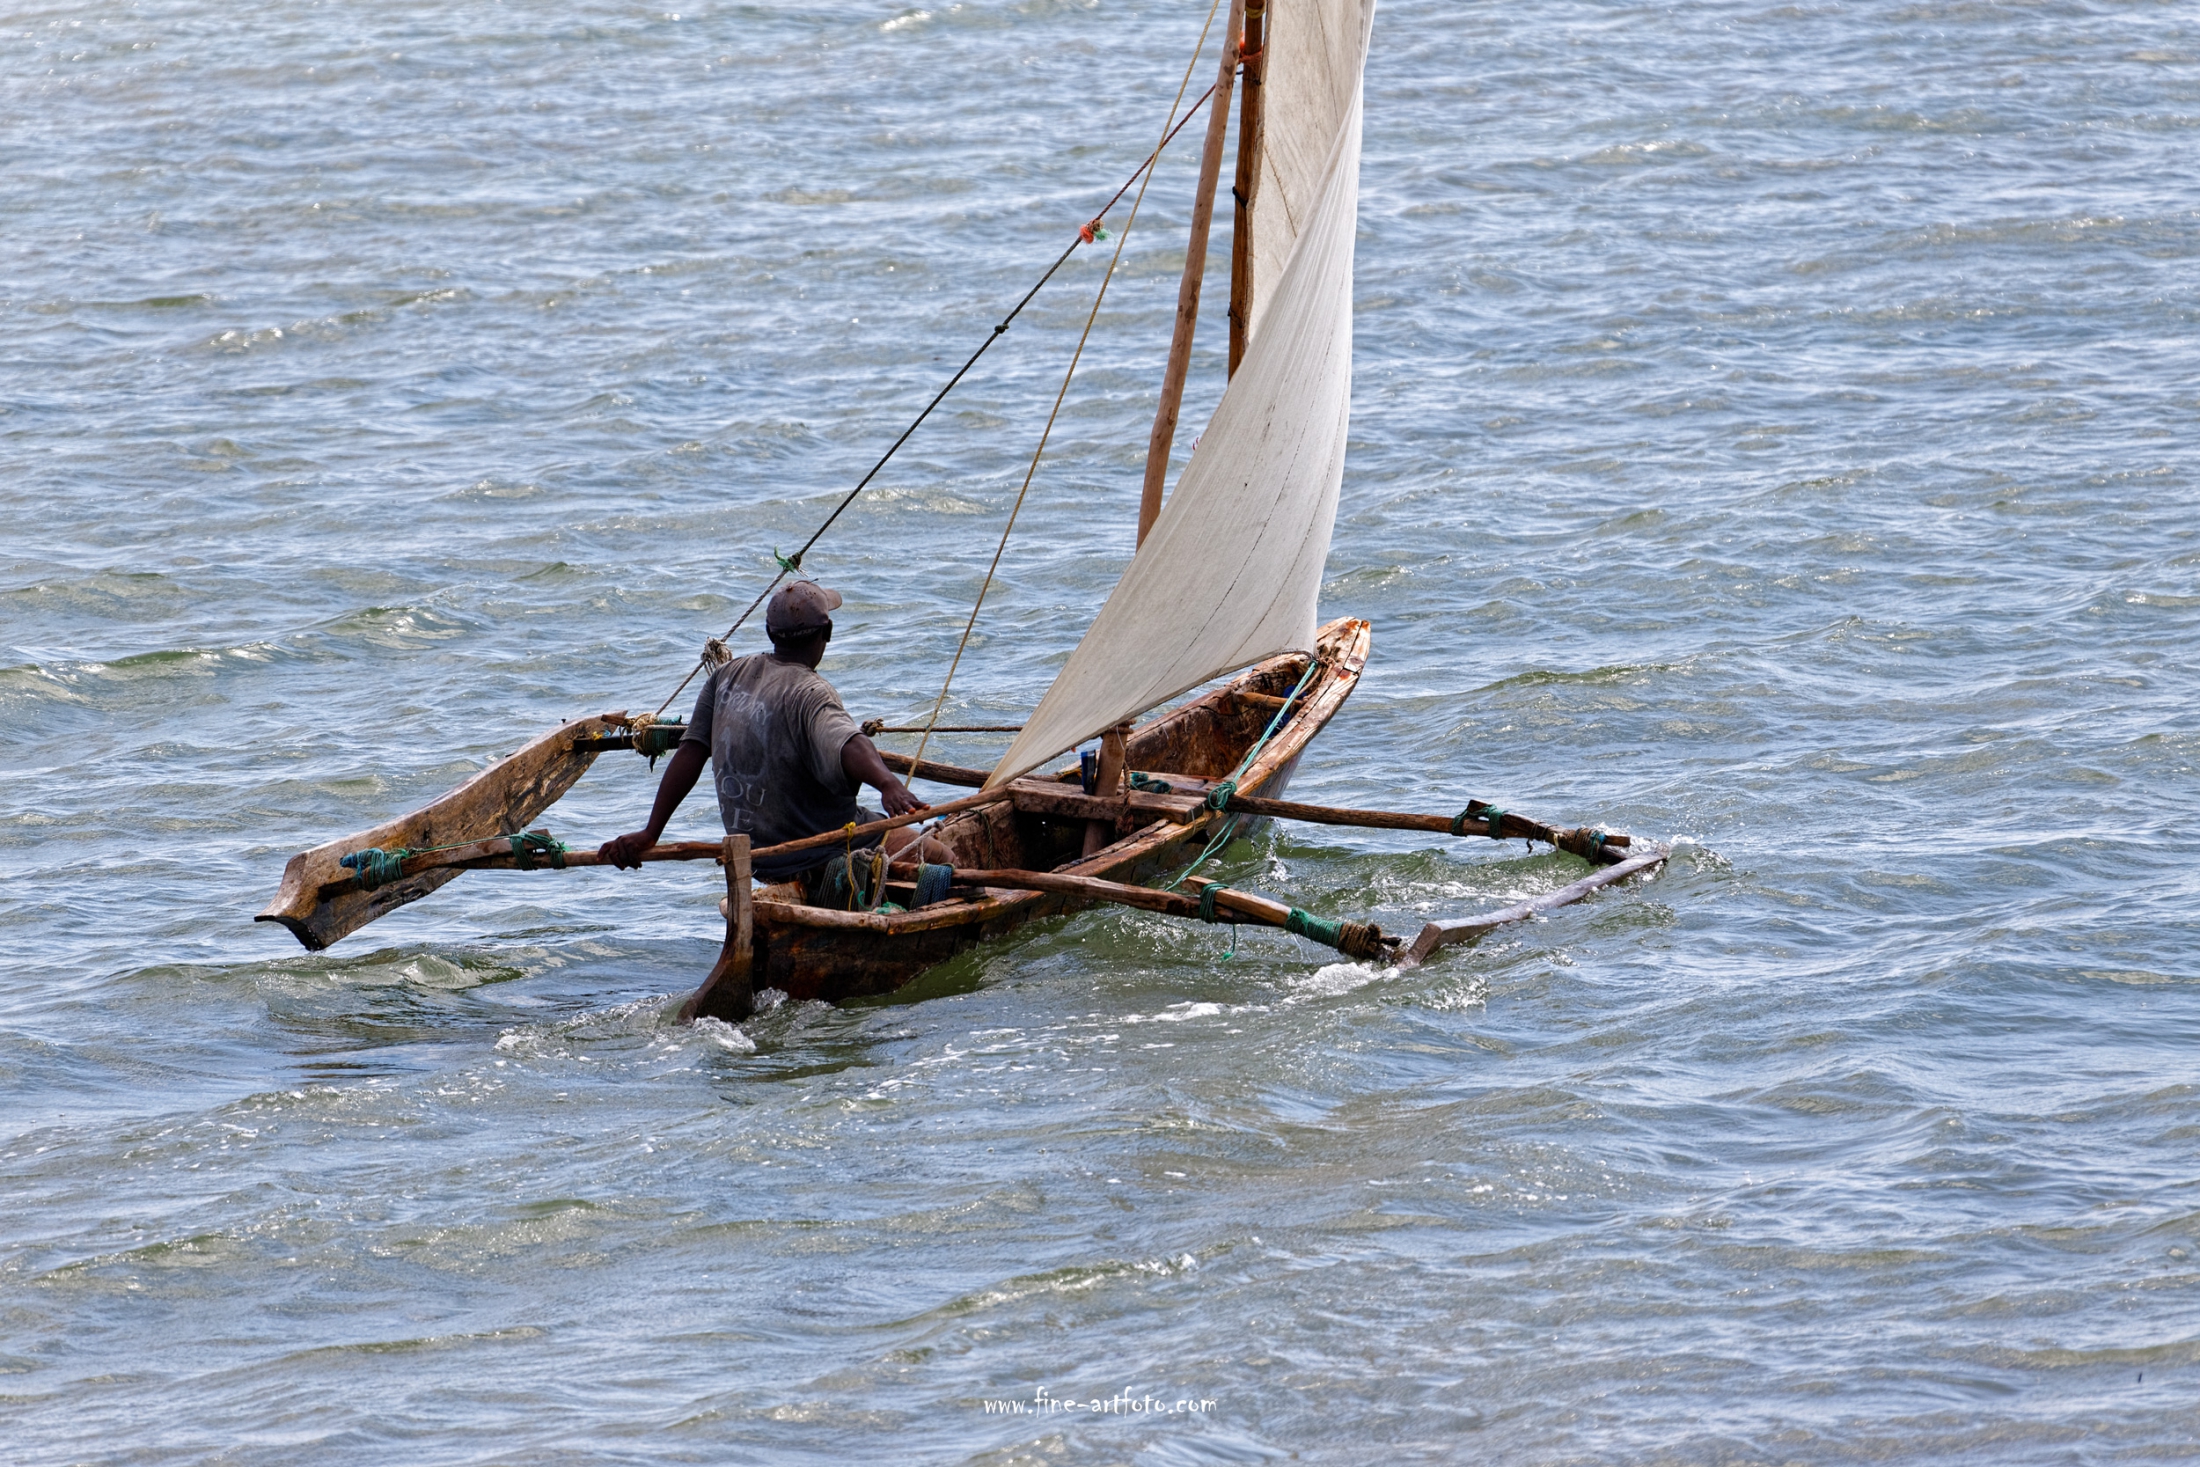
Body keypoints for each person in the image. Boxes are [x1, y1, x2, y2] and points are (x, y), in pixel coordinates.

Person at [597, 580, 951, 897]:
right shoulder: (811, 693)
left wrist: (651, 831)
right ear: (827, 632)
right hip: (818, 848)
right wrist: (889, 785)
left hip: (758, 856)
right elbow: (849, 743)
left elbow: (691, 752)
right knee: (940, 857)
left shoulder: (727, 676)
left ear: (769, 631)